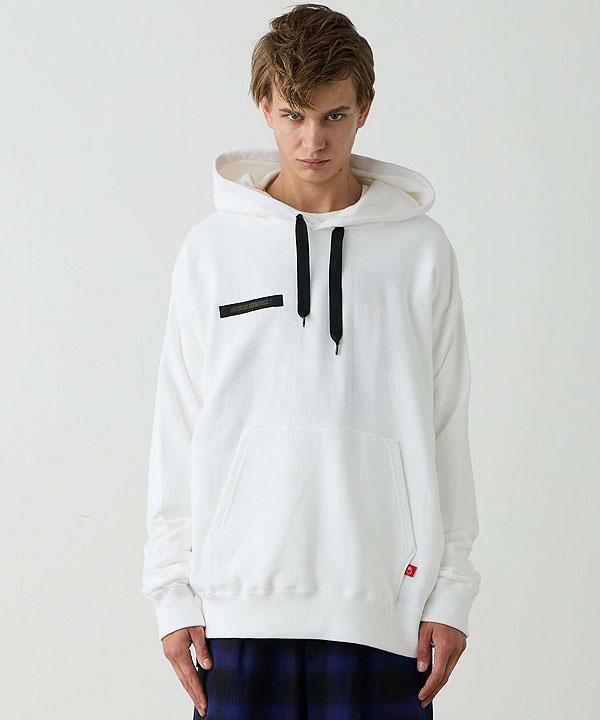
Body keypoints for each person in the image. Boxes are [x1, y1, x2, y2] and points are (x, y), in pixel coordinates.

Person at [142, 4, 481, 718]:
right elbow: (177, 425)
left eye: (334, 116)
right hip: (235, 607)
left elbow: (447, 424)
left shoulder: (420, 252)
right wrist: (171, 591)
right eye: (294, 115)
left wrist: (452, 590)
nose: (313, 140)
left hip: (386, 607)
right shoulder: (213, 250)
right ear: (264, 108)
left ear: (364, 110)